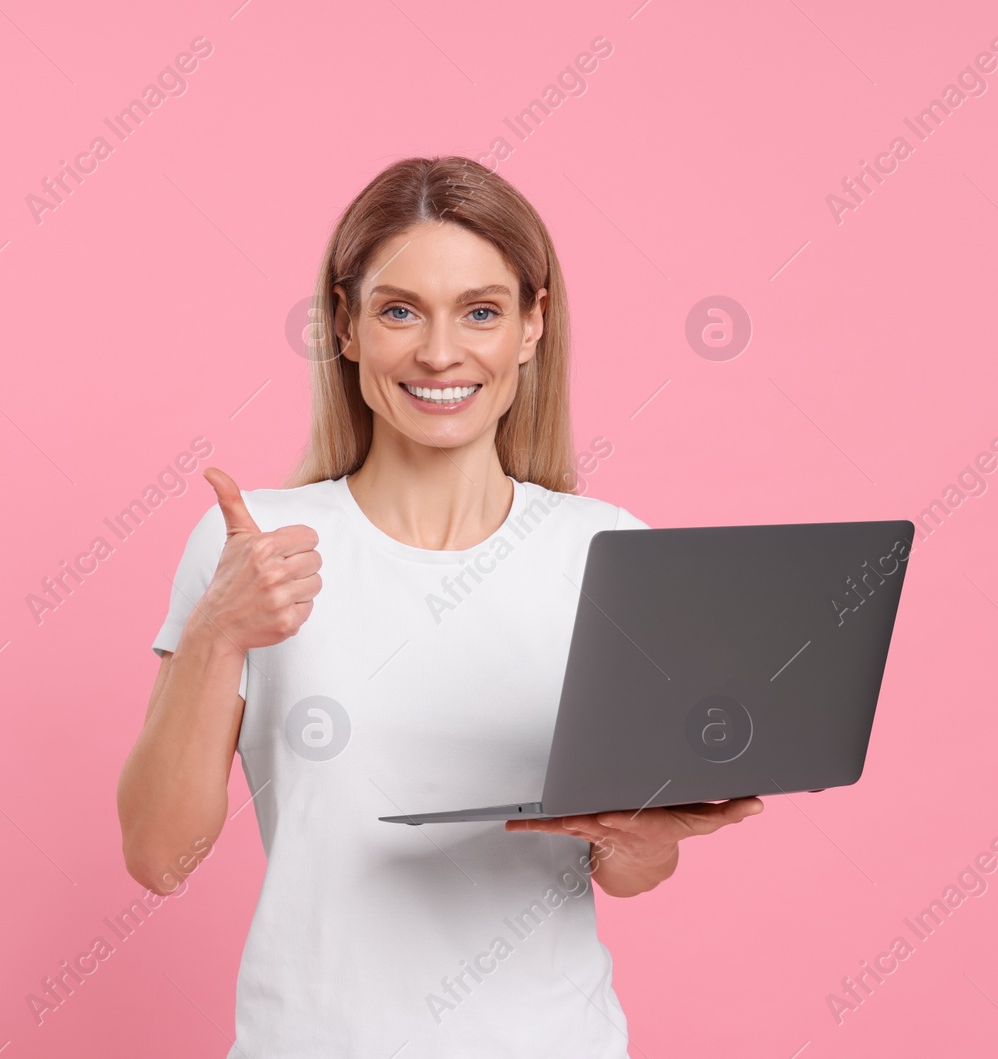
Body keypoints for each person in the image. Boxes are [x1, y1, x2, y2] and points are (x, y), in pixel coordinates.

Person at [117, 156, 763, 1058]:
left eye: (482, 311)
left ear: (534, 326)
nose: (439, 352)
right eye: (398, 310)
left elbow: (628, 875)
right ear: (344, 326)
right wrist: (220, 631)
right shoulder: (252, 545)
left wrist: (640, 835)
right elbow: (158, 857)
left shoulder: (604, 551)